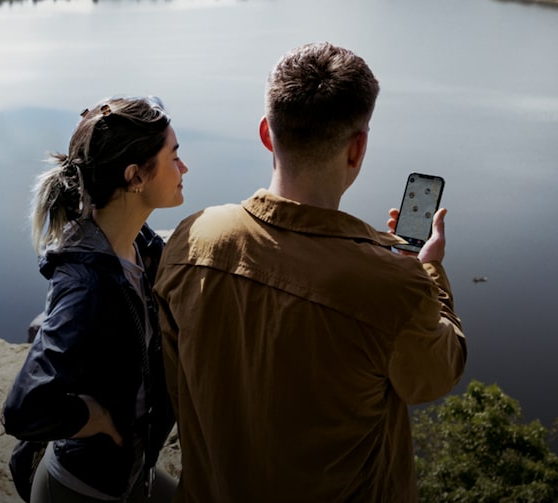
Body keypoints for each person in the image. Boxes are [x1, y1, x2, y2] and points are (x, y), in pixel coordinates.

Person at [153, 42, 466, 502]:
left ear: (266, 133)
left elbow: (178, 383)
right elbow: (436, 374)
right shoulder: (394, 288)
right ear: (357, 150)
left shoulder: (191, 239)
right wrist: (429, 274)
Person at [3, 96, 188, 503]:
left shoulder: (141, 247)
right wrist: (95, 417)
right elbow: (24, 408)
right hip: (82, 491)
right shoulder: (86, 283)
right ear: (135, 176)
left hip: (133, 476)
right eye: (174, 156)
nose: (184, 168)